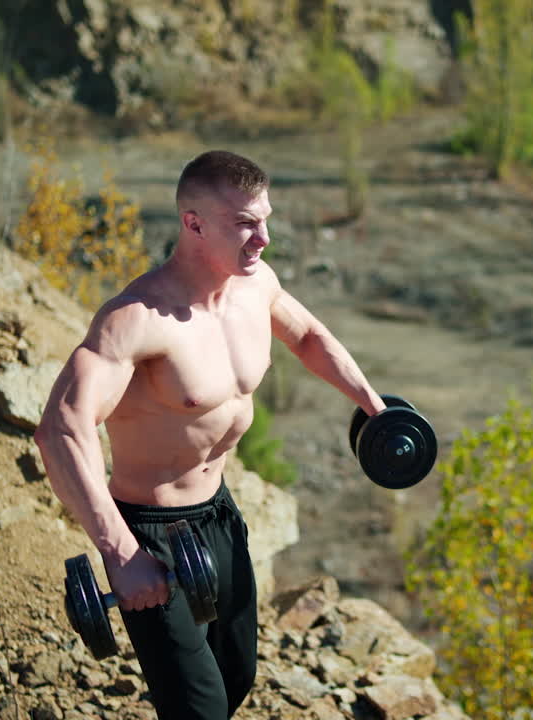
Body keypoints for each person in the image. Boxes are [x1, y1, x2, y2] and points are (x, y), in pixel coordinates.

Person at [33, 150, 386, 719]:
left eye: (264, 219)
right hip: (149, 534)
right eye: (246, 223)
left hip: (219, 516)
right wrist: (121, 554)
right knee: (199, 707)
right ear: (193, 223)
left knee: (236, 677)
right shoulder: (138, 318)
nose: (263, 237)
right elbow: (59, 429)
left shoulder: (255, 288)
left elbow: (309, 337)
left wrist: (373, 407)